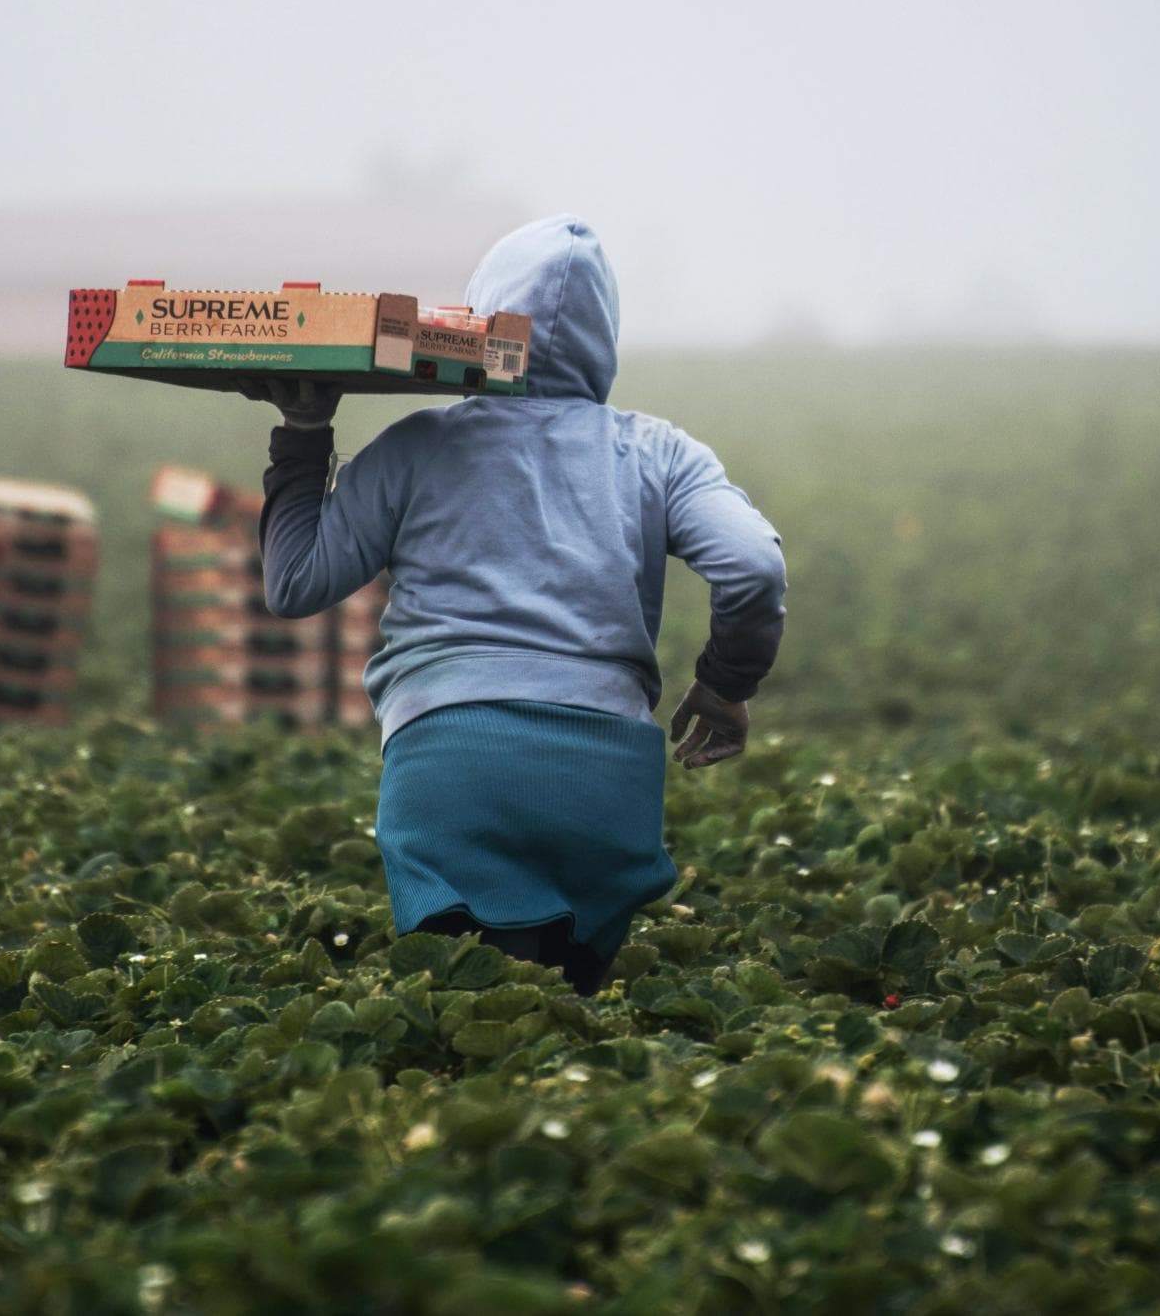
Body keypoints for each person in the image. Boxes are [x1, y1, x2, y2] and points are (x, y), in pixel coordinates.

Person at [243, 214, 785, 996]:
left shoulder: (416, 445)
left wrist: (302, 431)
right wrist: (726, 683)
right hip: (605, 782)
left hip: (447, 765)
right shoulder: (661, 452)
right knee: (571, 1033)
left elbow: (294, 582)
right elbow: (753, 565)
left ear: (478, 320)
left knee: (466, 1023)